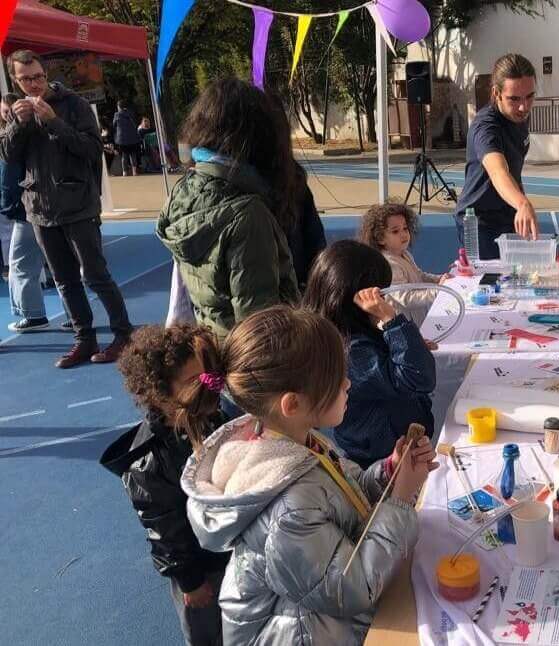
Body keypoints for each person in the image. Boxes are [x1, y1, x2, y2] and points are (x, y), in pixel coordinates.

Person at [179, 305, 436, 644]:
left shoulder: (290, 440)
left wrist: (389, 472)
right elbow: (349, 587)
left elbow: (343, 495)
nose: (348, 384)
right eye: (336, 379)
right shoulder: (287, 505)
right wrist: (400, 500)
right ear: (292, 404)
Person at [0, 49, 133, 368]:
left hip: (78, 204)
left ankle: (123, 334)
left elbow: (91, 149)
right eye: (26, 79)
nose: (34, 84)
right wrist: (18, 124)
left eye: (38, 76)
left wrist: (53, 121)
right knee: (64, 280)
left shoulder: (74, 105)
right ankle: (84, 339)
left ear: (46, 74)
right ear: (16, 81)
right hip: (40, 208)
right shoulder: (18, 112)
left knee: (95, 275)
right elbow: (8, 156)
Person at [100, 324, 230, 646]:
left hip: (225, 551)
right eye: (192, 382)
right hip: (199, 567)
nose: (207, 386)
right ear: (160, 393)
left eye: (207, 376)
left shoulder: (209, 420)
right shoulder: (149, 463)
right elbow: (163, 529)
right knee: (205, 631)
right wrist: (189, 580)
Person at [157, 79, 300, 339]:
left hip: (213, 343)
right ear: (259, 137)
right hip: (252, 362)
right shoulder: (247, 215)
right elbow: (258, 327)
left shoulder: (184, 190)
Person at [302, 240, 436, 468]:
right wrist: (392, 321)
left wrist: (406, 343)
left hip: (395, 444)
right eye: (379, 294)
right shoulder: (351, 349)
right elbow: (418, 377)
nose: (383, 299)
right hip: (381, 457)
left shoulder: (350, 332)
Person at [454, 53, 540, 259]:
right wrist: (523, 203)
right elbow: (498, 171)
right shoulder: (486, 128)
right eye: (514, 99)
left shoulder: (519, 116)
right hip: (479, 220)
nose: (524, 106)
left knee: (518, 279)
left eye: (529, 96)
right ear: (496, 93)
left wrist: (517, 205)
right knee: (490, 286)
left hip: (507, 213)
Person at [2, 93, 55, 333]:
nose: (7, 115)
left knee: (22, 263)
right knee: (42, 261)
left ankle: (34, 315)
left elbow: (12, 175)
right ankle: (39, 314)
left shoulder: (21, 137)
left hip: (29, 207)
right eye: (4, 112)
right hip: (25, 206)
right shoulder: (11, 138)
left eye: (9, 111)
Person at [360, 202, 445, 326]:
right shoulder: (388, 264)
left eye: (405, 228)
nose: (403, 234)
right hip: (403, 325)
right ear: (380, 238)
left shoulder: (404, 254)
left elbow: (419, 275)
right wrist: (438, 291)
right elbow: (406, 298)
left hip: (417, 319)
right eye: (395, 231)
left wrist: (439, 279)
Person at [112, 99, 142, 176]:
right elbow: (135, 123)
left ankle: (124, 172)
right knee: (133, 155)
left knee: (124, 156)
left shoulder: (117, 115)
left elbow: (114, 125)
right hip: (132, 138)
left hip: (122, 139)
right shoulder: (130, 113)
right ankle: (134, 171)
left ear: (119, 107)